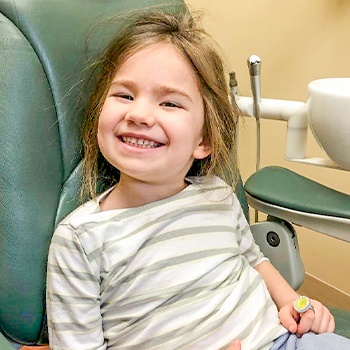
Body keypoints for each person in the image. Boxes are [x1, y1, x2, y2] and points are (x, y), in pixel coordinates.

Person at [46, 9, 350, 350]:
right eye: (124, 96)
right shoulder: (80, 241)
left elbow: (254, 260)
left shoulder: (217, 196)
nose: (139, 114)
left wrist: (291, 302)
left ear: (203, 140)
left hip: (280, 340)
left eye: (170, 103)